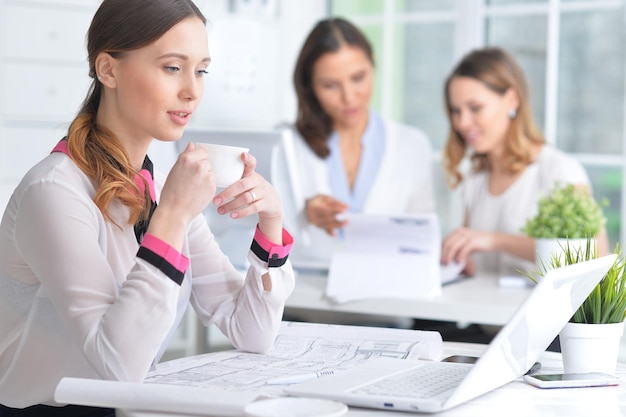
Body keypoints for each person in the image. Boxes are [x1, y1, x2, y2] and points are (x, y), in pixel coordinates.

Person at [0, 0, 295, 414]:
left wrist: (271, 225)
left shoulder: (158, 188)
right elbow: (117, 365)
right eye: (172, 67)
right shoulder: (54, 192)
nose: (192, 90)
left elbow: (253, 333)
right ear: (108, 70)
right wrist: (172, 216)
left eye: (201, 70)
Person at [440, 47, 608, 278]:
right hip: (481, 312)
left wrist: (495, 241)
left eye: (475, 108)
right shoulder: (475, 179)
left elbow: (595, 255)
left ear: (512, 100)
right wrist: (458, 257)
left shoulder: (558, 170)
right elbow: (476, 261)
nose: (462, 122)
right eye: (455, 111)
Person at [288, 17, 436, 265]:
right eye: (330, 85)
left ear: (373, 65)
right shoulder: (288, 145)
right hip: (304, 293)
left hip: (386, 293)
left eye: (358, 78)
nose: (349, 97)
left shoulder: (412, 145)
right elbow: (255, 229)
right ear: (309, 86)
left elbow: (423, 237)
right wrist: (304, 212)